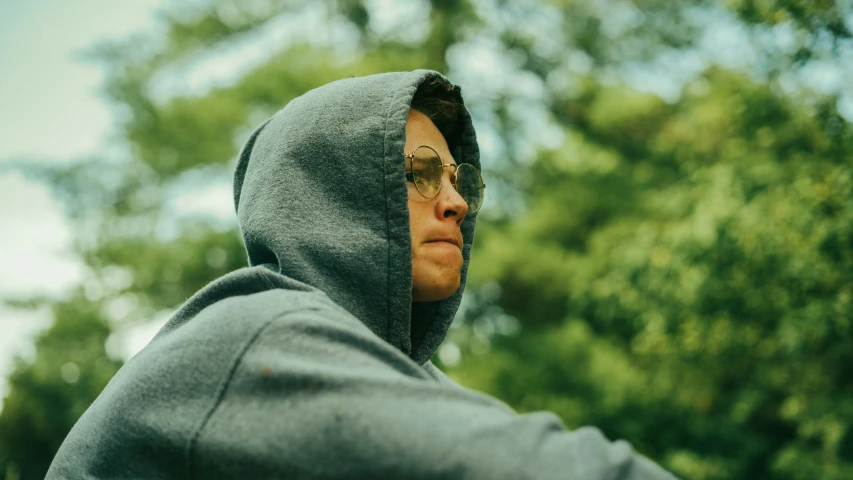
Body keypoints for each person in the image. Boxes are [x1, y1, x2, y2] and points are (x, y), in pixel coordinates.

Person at [47, 70, 677, 479]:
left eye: (460, 179)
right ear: (333, 193)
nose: (455, 202)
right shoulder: (251, 335)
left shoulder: (404, 376)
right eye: (417, 173)